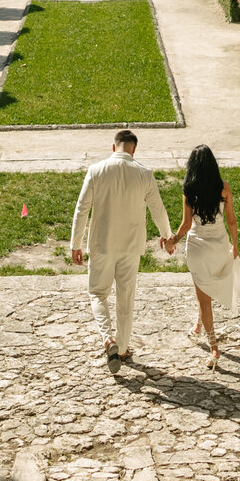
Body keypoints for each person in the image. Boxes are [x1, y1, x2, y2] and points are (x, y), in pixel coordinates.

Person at [71, 128, 174, 373]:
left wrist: (75, 243)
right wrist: (167, 236)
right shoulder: (144, 173)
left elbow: (81, 209)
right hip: (131, 245)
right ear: (134, 149)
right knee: (125, 297)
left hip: (101, 243)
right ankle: (124, 346)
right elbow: (157, 209)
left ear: (113, 146)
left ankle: (108, 338)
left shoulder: (96, 171)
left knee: (97, 293)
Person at [167, 144, 240, 370]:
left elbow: (185, 225)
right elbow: (231, 220)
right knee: (206, 293)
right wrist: (235, 245)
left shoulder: (189, 190)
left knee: (203, 298)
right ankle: (198, 326)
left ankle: (213, 346)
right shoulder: (223, 188)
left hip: (197, 248)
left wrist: (172, 241)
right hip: (219, 245)